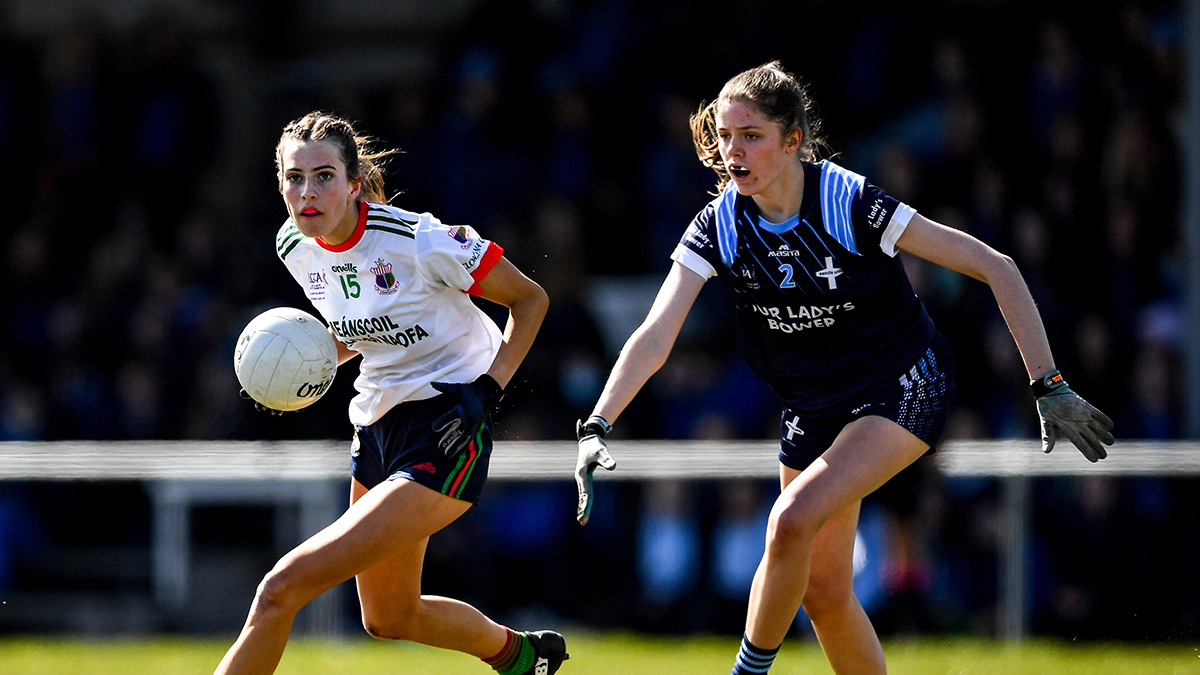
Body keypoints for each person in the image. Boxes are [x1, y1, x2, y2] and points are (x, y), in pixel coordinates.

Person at [573, 62, 1114, 675]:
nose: (733, 152)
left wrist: (1048, 383)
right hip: (818, 404)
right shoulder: (721, 223)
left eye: (750, 135)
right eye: (724, 136)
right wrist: (597, 423)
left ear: (793, 139)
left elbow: (999, 267)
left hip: (905, 384)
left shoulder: (848, 200)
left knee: (790, 519)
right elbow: (655, 333)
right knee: (823, 591)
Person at [215, 111, 564, 675]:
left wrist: (487, 392)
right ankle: (524, 656)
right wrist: (305, 360)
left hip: (446, 428)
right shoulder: (294, 245)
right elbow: (363, 327)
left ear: (355, 183)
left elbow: (531, 300)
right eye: (294, 177)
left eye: (324, 175)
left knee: (280, 589)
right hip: (376, 427)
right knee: (389, 616)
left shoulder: (421, 242)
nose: (308, 191)